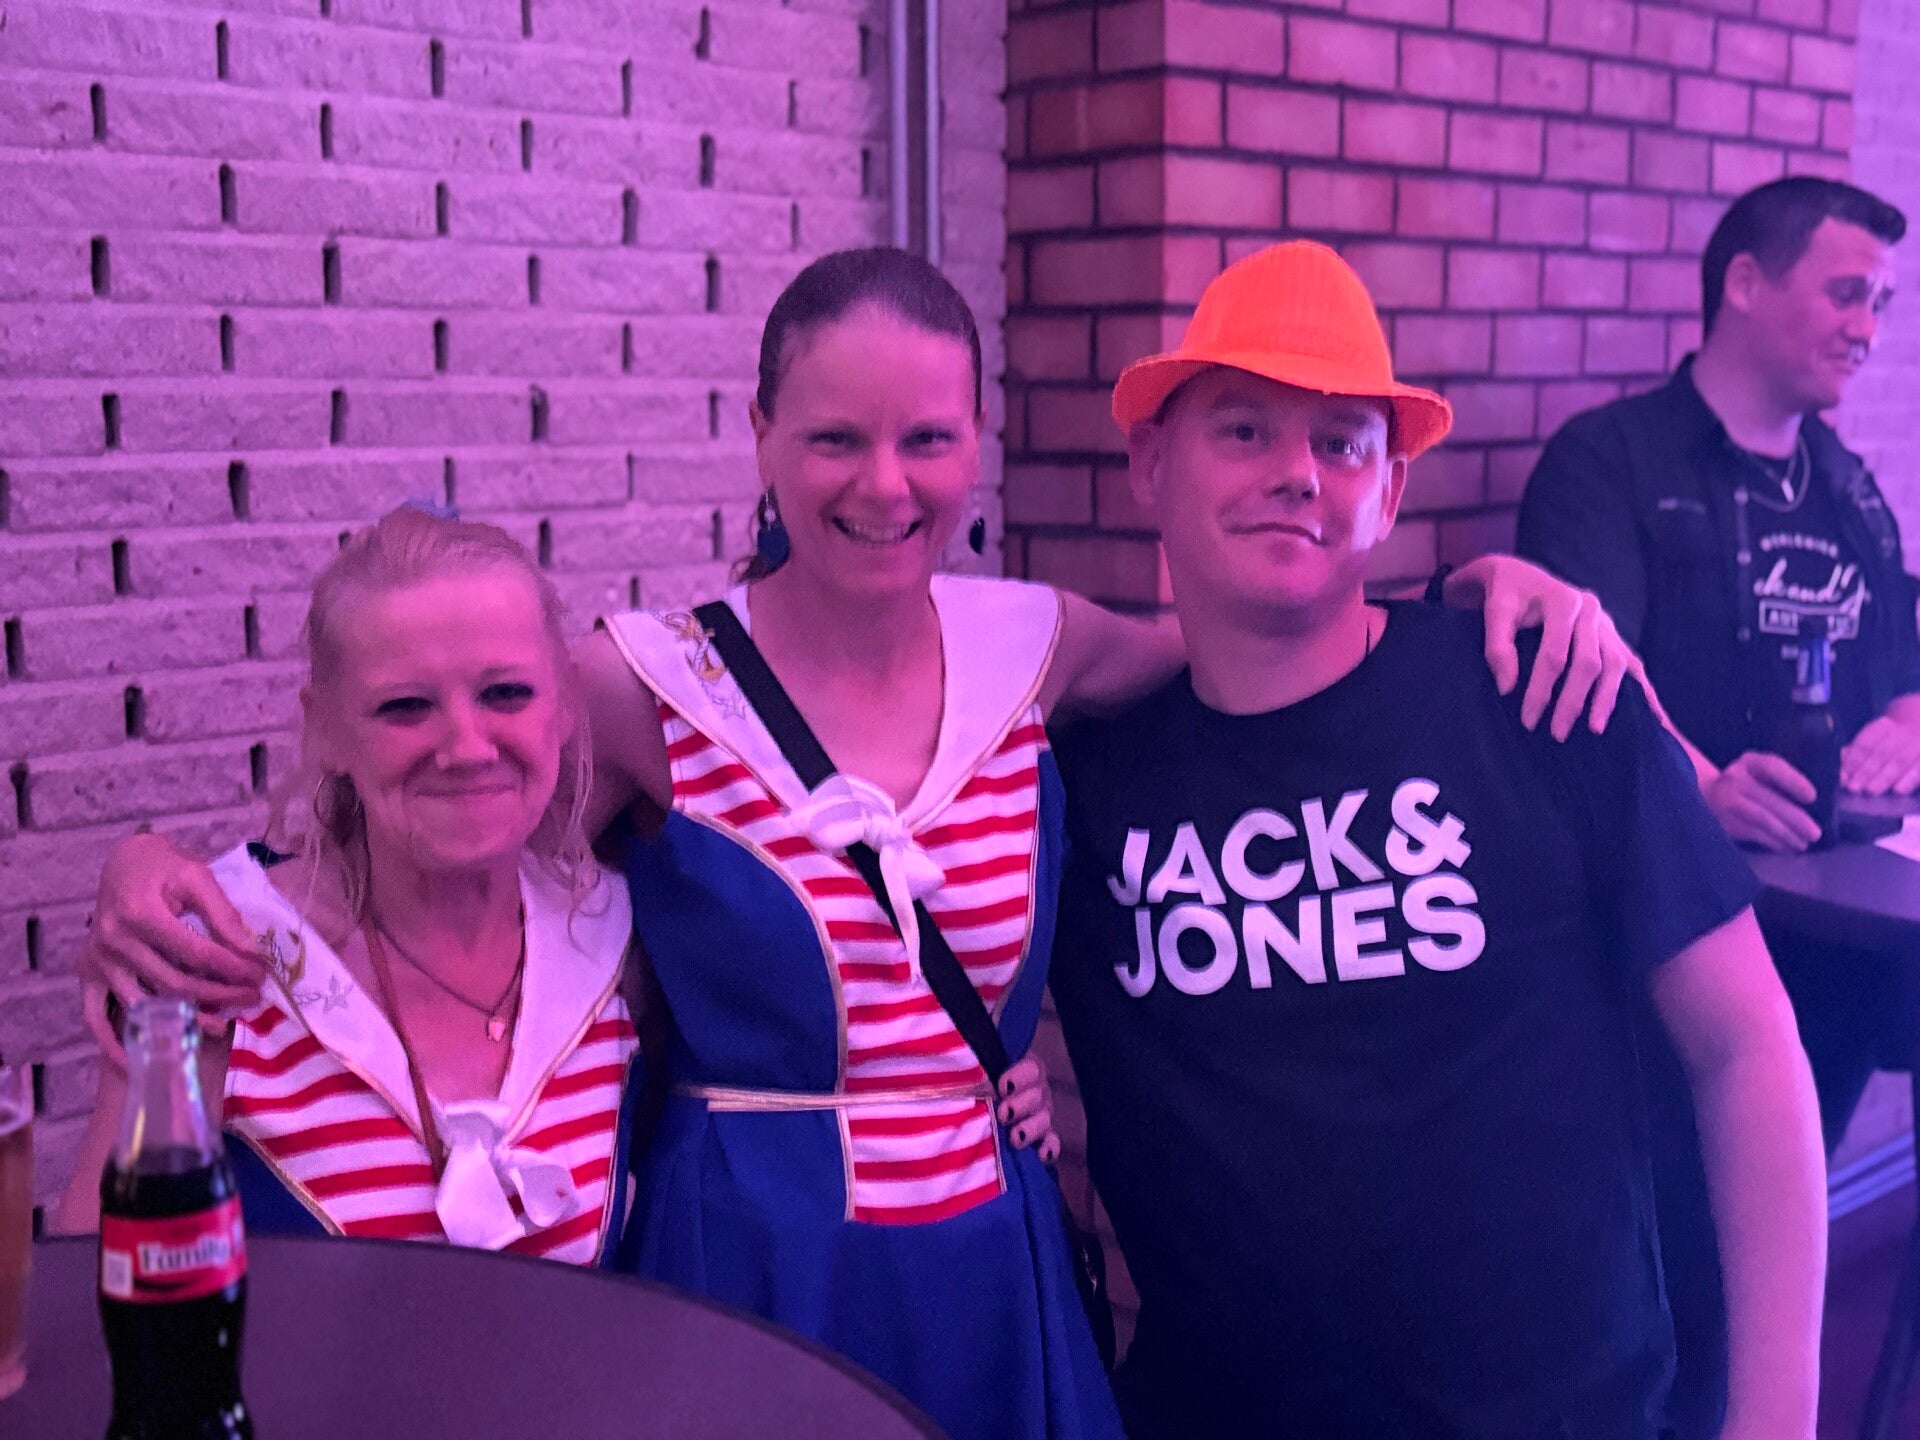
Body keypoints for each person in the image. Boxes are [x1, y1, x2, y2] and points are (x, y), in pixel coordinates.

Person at [76, 249, 1637, 1440]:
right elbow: (429, 773)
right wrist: (153, 870)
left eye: (926, 440)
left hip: (992, 1260)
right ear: (760, 437)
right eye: (833, 438)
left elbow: (1267, 633)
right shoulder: (644, 682)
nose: (883, 486)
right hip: (752, 1260)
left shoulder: (1040, 644)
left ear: (976, 448)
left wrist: (1482, 597)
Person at [1048, 240, 1826, 1440]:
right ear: (1152, 463)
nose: (1296, 474)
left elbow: (1747, 1044)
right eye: (1244, 430)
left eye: (1342, 443)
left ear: (1392, 490)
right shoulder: (1078, 778)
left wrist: (1777, 1424)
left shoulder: (1544, 696)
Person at [54, 506, 641, 1261]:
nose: (466, 748)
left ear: (564, 706)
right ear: (325, 728)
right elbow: (93, 1283)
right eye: (406, 707)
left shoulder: (615, 941)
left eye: (506, 694)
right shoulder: (216, 966)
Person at [1516, 176, 1919, 1149]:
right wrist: (1698, 785)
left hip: (1858, 932)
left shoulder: (1848, 482)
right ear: (1744, 283)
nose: (1868, 329)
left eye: (1880, 302)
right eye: (1847, 294)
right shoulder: (1607, 460)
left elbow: (1904, 668)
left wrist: (1909, 729)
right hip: (1687, 935)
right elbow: (1586, 675)